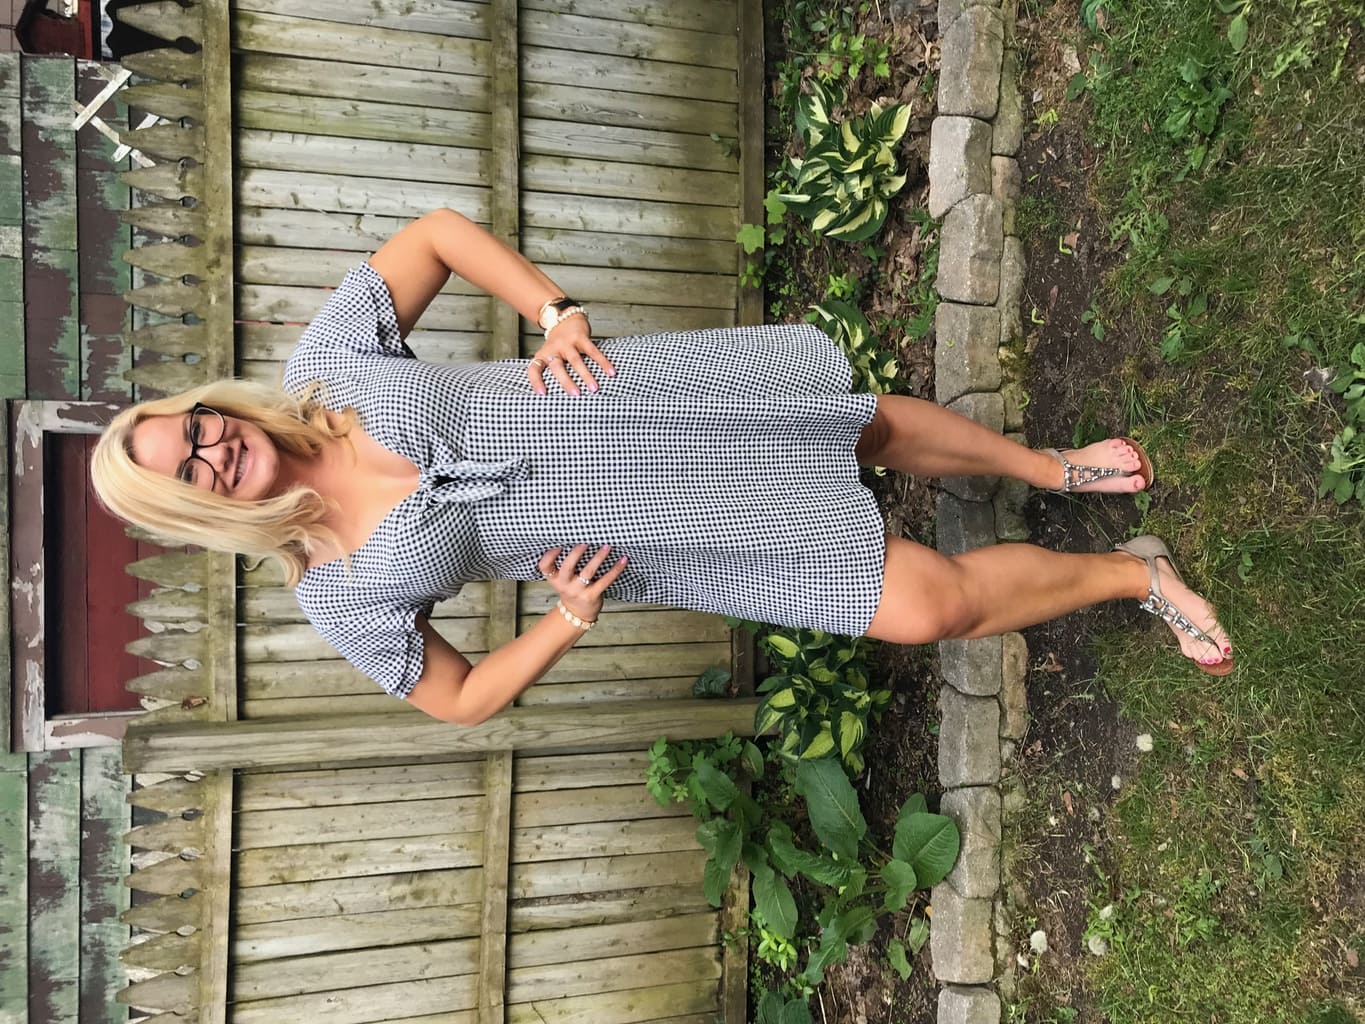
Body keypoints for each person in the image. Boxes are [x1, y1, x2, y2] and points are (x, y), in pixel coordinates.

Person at [91, 209, 1233, 726]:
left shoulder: (327, 369)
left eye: (190, 428)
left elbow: (438, 233)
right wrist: (565, 622)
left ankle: (1049, 467)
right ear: (196, 511)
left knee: (860, 427)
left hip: (639, 401)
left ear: (202, 409)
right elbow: (458, 699)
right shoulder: (333, 591)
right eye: (186, 473)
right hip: (664, 540)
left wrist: (551, 312)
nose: (210, 451)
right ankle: (1139, 576)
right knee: (925, 610)